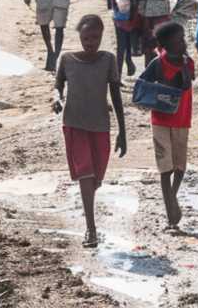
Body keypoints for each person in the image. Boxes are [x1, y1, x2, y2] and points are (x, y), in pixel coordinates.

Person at [53, 15, 128, 248]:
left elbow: (116, 95)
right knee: (85, 174)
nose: (90, 42)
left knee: (96, 177)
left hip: (100, 125)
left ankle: (88, 207)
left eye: (94, 37)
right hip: (74, 123)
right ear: (80, 37)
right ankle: (91, 229)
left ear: (102, 35)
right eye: (86, 38)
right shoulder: (67, 60)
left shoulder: (108, 60)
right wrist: (56, 98)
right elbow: (57, 86)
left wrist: (122, 131)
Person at [139, 22, 194, 233]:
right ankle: (170, 207)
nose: (183, 43)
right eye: (178, 40)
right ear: (165, 45)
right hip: (161, 120)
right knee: (165, 167)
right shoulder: (157, 64)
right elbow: (142, 84)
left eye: (182, 39)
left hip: (182, 120)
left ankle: (172, 198)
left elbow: (187, 85)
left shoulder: (187, 63)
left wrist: (183, 68)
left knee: (180, 167)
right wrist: (158, 91)